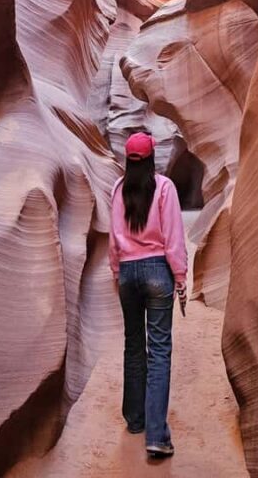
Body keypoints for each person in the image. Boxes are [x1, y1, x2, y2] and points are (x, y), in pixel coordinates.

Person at [109, 131, 188, 459]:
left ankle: (136, 420)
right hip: (158, 271)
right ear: (152, 157)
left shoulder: (117, 189)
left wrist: (117, 273)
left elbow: (114, 238)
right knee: (158, 352)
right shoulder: (165, 188)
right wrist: (180, 276)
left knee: (133, 346)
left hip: (128, 272)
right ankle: (156, 436)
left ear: (128, 159)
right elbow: (173, 237)